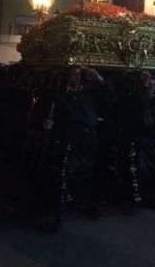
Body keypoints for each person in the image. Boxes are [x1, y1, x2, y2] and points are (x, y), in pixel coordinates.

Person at [43, 65, 104, 231]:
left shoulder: (89, 92)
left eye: (79, 75)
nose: (76, 79)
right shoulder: (61, 95)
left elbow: (109, 98)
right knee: (65, 173)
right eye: (73, 75)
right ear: (67, 77)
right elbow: (50, 113)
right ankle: (59, 210)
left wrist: (98, 78)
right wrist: (48, 124)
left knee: (88, 172)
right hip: (70, 138)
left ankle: (85, 203)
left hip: (89, 138)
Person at [118, 71, 155, 214]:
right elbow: (133, 111)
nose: (150, 87)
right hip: (139, 139)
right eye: (148, 85)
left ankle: (150, 198)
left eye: (153, 85)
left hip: (154, 140)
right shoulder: (136, 97)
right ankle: (133, 200)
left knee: (153, 172)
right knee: (136, 171)